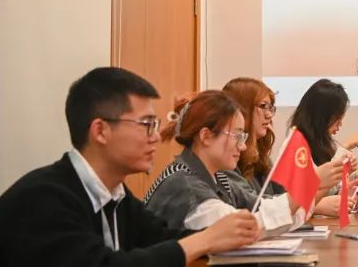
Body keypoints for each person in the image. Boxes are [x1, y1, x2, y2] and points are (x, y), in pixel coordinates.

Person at [0, 68, 259, 267]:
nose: (155, 137)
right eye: (146, 125)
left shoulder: (117, 196)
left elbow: (162, 238)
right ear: (100, 131)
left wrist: (222, 238)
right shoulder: (40, 199)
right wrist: (205, 240)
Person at [143, 91, 336, 234]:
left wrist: (316, 187)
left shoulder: (217, 178)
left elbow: (262, 209)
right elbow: (243, 229)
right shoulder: (184, 186)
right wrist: (309, 183)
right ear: (206, 136)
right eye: (237, 136)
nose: (242, 146)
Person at [289, 79, 358, 213]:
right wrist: (345, 147)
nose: (340, 124)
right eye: (337, 119)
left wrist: (354, 178)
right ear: (321, 116)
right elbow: (311, 189)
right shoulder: (297, 146)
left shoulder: (322, 142)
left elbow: (329, 187)